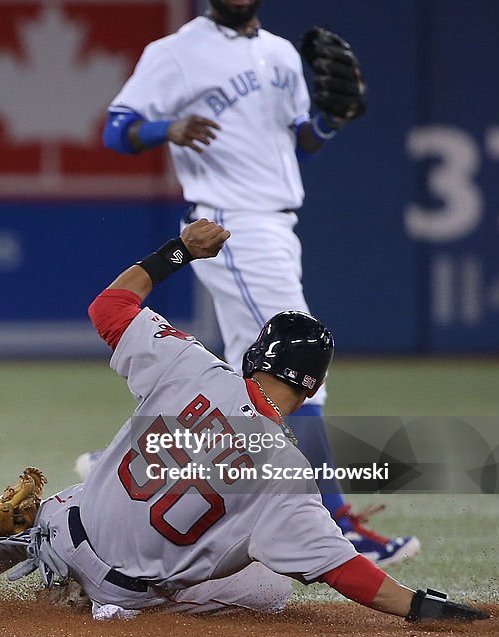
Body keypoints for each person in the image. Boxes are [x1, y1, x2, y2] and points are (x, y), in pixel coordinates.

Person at [0, 221, 487, 625]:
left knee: (0, 530)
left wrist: (178, 251)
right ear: (313, 388)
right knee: (277, 582)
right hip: (121, 594)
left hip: (60, 529)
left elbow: (108, 307)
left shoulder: (192, 365)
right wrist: (422, 606)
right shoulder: (288, 476)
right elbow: (349, 574)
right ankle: (104, 606)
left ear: (256, 354)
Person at [86, 0, 419, 565]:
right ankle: (336, 524)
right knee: (298, 363)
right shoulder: (176, 52)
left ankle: (138, 461)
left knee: (252, 377)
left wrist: (328, 123)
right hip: (230, 221)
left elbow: (297, 144)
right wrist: (169, 126)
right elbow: (117, 131)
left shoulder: (281, 52)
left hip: (276, 221)